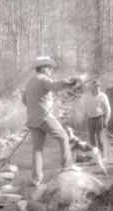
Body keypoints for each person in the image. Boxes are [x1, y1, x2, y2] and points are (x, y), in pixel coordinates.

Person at [23, 56, 82, 186]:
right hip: (44, 117)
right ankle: (67, 166)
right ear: (43, 68)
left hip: (32, 120)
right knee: (63, 137)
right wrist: (73, 80)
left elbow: (24, 101)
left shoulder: (30, 82)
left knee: (37, 149)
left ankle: (36, 179)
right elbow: (55, 86)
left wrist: (39, 102)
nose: (51, 71)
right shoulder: (43, 78)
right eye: (50, 68)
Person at [85, 80, 111, 158]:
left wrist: (106, 119)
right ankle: (95, 155)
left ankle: (103, 156)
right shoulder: (87, 96)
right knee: (92, 138)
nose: (96, 88)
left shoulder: (103, 96)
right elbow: (86, 107)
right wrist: (86, 117)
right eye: (95, 86)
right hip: (90, 119)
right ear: (91, 87)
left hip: (100, 118)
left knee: (100, 139)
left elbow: (107, 109)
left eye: (98, 86)